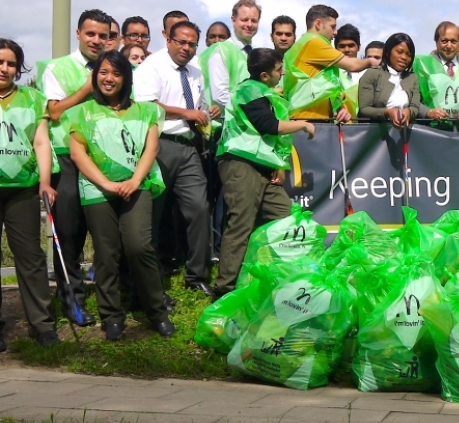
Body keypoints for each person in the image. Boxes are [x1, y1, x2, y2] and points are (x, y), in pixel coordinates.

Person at [67, 51, 173, 341]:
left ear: (126, 77)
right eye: (103, 72)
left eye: (116, 73)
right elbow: (78, 153)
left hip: (137, 186)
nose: (109, 79)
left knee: (140, 246)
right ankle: (112, 316)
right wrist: (106, 183)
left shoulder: (147, 111)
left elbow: (151, 148)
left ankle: (157, 312)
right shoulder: (81, 112)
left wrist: (135, 180)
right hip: (97, 189)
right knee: (106, 253)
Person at [213, 48, 315, 298]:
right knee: (241, 225)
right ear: (264, 75)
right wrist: (302, 124)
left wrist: (279, 164)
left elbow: (268, 136)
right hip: (240, 163)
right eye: (279, 70)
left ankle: (282, 281)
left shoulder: (264, 92)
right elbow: (268, 126)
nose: (283, 73)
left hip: (262, 165)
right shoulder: (249, 90)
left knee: (285, 218)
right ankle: (225, 291)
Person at [37, 8, 112, 326]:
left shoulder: (112, 68)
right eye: (90, 34)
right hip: (67, 158)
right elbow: (54, 112)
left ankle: (113, 298)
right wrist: (86, 88)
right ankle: (72, 299)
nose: (96, 40)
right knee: (68, 233)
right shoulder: (58, 68)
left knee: (106, 233)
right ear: (78, 34)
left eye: (103, 36)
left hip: (102, 159)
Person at [134, 21, 217, 298]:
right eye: (181, 41)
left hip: (188, 145)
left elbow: (198, 107)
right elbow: (146, 106)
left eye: (192, 44)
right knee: (153, 215)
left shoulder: (195, 71)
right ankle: (151, 281)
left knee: (199, 208)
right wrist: (186, 113)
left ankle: (197, 276)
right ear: (168, 39)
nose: (186, 48)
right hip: (157, 144)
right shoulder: (151, 67)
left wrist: (205, 114)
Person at [0, 39, 60, 349]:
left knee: (30, 256)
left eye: (11, 63)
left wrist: (45, 182)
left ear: (18, 68)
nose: (4, 68)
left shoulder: (34, 99)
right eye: (0, 62)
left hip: (21, 189)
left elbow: (40, 142)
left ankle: (42, 325)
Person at [284, 4, 374, 121]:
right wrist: (373, 61)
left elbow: (325, 85)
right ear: (318, 24)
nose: (335, 32)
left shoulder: (303, 43)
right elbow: (353, 66)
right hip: (308, 118)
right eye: (333, 27)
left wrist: (339, 107)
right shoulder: (313, 43)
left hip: (307, 118)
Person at [412, 21, 459, 126]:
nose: (449, 46)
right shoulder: (420, 65)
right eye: (444, 41)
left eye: (453, 41)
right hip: (430, 131)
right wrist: (428, 112)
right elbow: (411, 99)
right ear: (436, 42)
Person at [203, 0, 261, 109]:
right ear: (233, 20)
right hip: (227, 119)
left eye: (254, 20)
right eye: (244, 20)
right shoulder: (221, 51)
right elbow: (220, 96)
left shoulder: (254, 53)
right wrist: (254, 108)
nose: (249, 24)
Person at [358, 33, 420, 127]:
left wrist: (409, 112)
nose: (404, 57)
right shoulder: (372, 74)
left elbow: (415, 106)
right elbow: (364, 109)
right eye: (399, 52)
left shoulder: (412, 77)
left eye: (408, 54)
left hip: (405, 130)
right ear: (388, 52)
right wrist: (387, 112)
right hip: (375, 132)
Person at [335, 24, 365, 118]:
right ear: (335, 48)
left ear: (359, 47)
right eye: (342, 46)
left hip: (365, 124)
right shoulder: (331, 73)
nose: (347, 50)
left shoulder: (367, 73)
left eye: (351, 45)